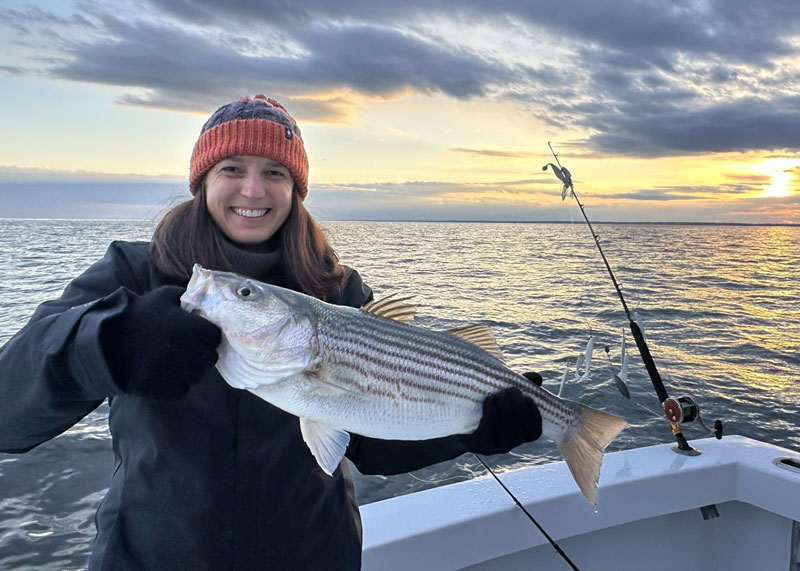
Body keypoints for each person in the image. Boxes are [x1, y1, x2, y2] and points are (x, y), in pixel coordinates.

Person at [0, 95, 543, 570]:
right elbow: (9, 411)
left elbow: (371, 443)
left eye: (275, 173)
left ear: (296, 189)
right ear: (203, 181)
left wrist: (467, 428)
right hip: (152, 556)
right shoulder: (133, 275)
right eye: (231, 168)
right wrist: (109, 342)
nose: (253, 189)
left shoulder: (339, 291)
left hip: (312, 556)